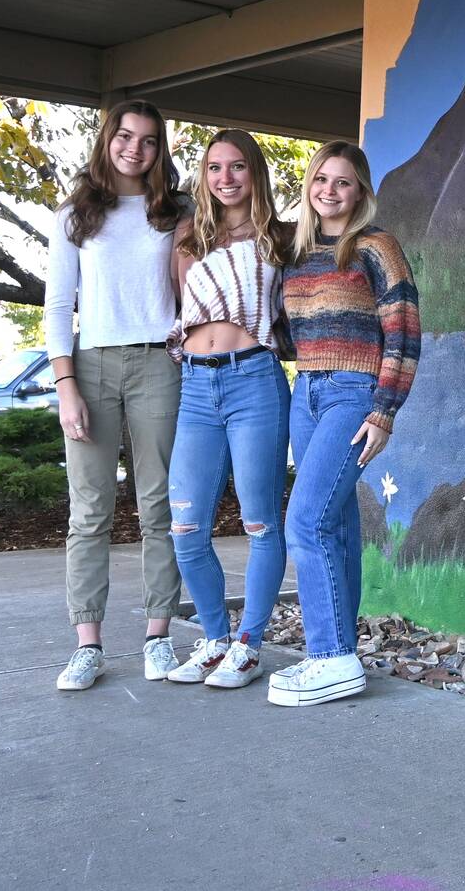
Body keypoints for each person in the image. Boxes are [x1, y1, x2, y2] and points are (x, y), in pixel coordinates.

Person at [268, 140, 420, 707]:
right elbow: (287, 331)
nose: (329, 191)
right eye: (321, 180)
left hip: (353, 395)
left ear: (360, 192)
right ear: (309, 185)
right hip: (304, 390)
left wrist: (384, 411)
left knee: (304, 521)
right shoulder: (296, 250)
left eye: (343, 182)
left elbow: (403, 329)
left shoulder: (376, 248)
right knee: (335, 526)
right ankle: (342, 653)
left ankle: (329, 657)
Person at [45, 101, 189, 691]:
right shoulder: (74, 215)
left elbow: (196, 285)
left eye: (149, 141)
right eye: (125, 137)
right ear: (107, 140)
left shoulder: (177, 212)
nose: (136, 148)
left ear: (160, 150)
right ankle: (88, 645)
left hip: (160, 363)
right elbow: (57, 306)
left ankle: (158, 637)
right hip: (92, 367)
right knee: (90, 512)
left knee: (160, 508)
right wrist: (65, 386)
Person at [162, 130, 294, 690]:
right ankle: (214, 639)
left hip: (255, 382)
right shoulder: (188, 237)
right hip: (195, 387)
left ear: (254, 173)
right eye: (214, 168)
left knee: (260, 521)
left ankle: (249, 645)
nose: (225, 178)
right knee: (185, 525)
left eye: (237, 167)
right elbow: (178, 306)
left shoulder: (282, 238)